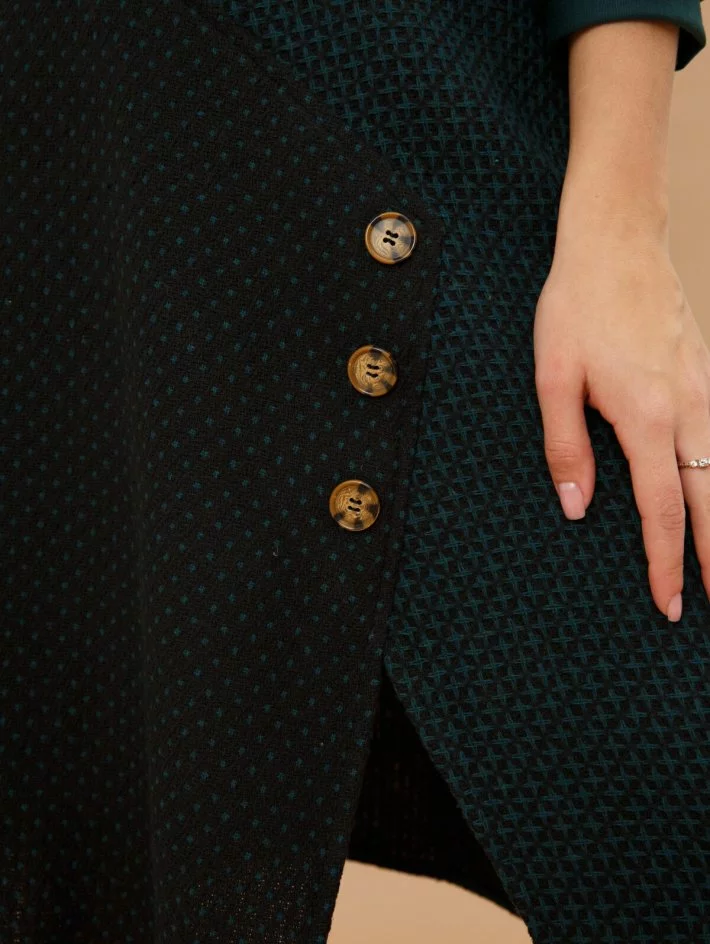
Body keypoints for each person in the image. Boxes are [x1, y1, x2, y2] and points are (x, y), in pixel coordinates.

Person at [2, 1, 709, 941]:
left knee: (663, 777)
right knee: (123, 834)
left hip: (399, 107)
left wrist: (622, 226)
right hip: (73, 170)